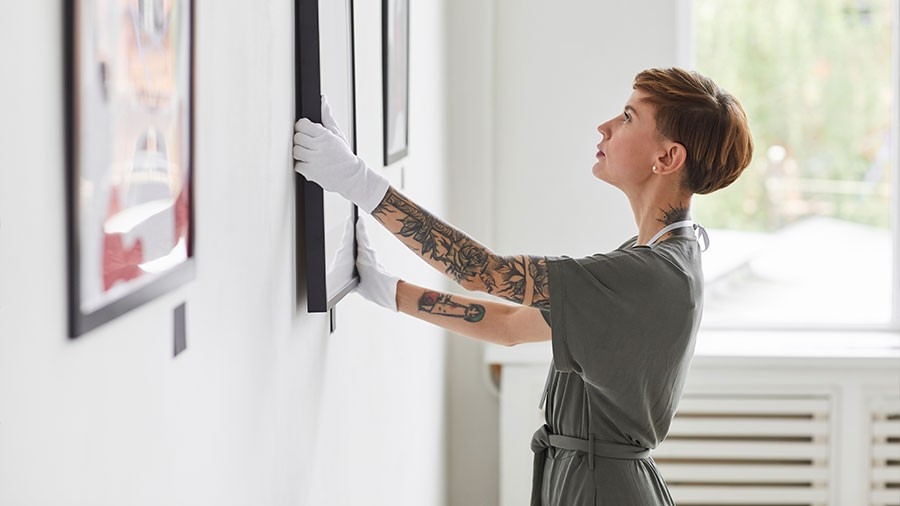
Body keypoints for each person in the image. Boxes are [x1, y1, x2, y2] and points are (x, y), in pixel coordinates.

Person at [293, 67, 753, 505]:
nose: (605, 126)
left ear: (667, 157)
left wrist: (357, 181)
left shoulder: (648, 276)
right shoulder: (658, 255)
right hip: (588, 479)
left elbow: (482, 271)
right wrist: (388, 289)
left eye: (628, 117)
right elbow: (511, 325)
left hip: (602, 490)